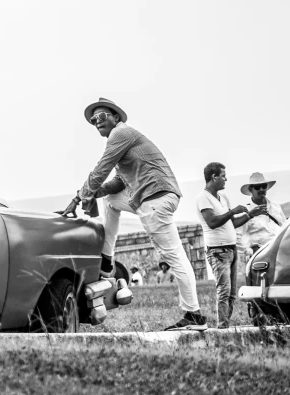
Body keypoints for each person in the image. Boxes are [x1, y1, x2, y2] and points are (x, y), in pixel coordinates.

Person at [60, 98, 208, 331]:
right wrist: (95, 192)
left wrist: (78, 198)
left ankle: (194, 315)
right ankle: (107, 259)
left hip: (155, 197)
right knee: (110, 202)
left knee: (174, 257)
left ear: (115, 118)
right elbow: (119, 181)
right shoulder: (125, 140)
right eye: (92, 120)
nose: (96, 122)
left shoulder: (120, 134)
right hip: (151, 197)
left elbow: (101, 168)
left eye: (101, 116)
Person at [196, 162, 266, 329]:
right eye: (223, 175)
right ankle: (222, 326)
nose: (226, 178)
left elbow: (232, 223)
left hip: (231, 248)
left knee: (232, 294)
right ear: (214, 177)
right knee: (224, 291)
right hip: (217, 251)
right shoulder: (203, 198)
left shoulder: (223, 197)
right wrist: (231, 211)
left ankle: (225, 324)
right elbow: (212, 222)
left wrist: (249, 215)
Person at [239, 172, 286, 255]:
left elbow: (284, 228)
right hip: (260, 255)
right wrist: (250, 251)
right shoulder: (246, 211)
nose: (261, 189)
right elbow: (239, 237)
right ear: (251, 190)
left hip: (279, 251)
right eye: (257, 187)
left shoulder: (276, 206)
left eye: (264, 186)